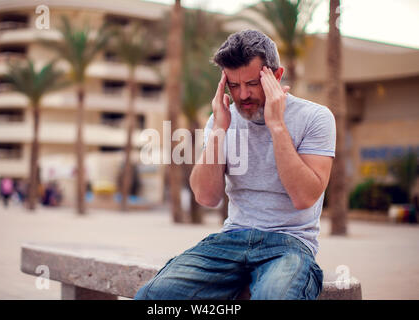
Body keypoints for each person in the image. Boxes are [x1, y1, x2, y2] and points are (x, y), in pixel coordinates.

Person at [135, 30, 336, 300]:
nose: (243, 95)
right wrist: (219, 129)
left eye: (253, 83)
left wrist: (277, 125)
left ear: (276, 76)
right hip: (231, 239)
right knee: (152, 296)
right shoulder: (222, 120)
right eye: (234, 85)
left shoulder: (316, 118)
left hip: (289, 245)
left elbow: (304, 197)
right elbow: (206, 196)